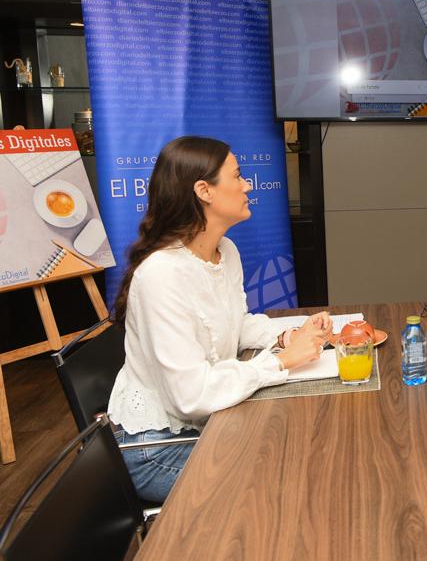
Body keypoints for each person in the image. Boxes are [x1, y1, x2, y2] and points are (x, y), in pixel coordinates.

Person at [107, 136, 332, 502]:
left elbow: (236, 323)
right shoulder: (162, 275)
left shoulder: (224, 250)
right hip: (156, 448)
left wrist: (288, 335)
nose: (247, 185)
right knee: (286, 483)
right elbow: (191, 397)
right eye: (238, 176)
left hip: (205, 424)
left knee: (301, 453)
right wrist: (278, 362)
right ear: (204, 191)